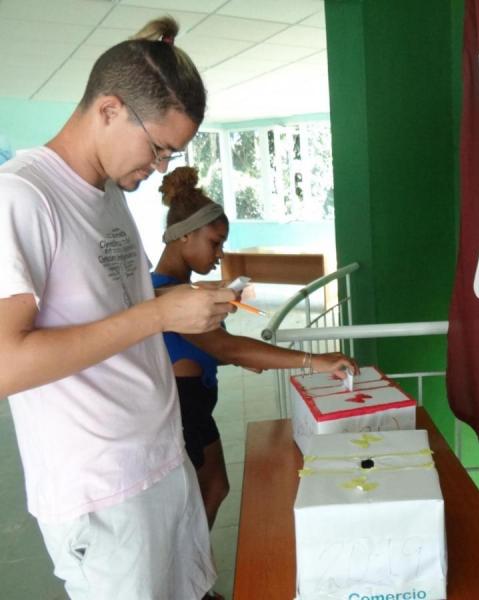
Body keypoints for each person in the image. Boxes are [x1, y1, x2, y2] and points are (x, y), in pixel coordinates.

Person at [0, 17, 236, 600]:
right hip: (101, 494)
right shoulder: (22, 196)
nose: (160, 167)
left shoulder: (106, 193)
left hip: (160, 461)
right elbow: (6, 363)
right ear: (108, 110)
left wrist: (178, 302)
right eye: (158, 148)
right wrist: (159, 316)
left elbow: (111, 308)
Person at [152, 166, 357, 528]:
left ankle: (194, 580)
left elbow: (212, 349)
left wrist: (233, 356)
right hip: (182, 411)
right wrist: (314, 360)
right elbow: (228, 348)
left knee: (212, 490)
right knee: (197, 501)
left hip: (196, 407)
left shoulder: (178, 290)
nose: (219, 254)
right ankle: (190, 583)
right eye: (215, 242)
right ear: (183, 236)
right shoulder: (170, 294)